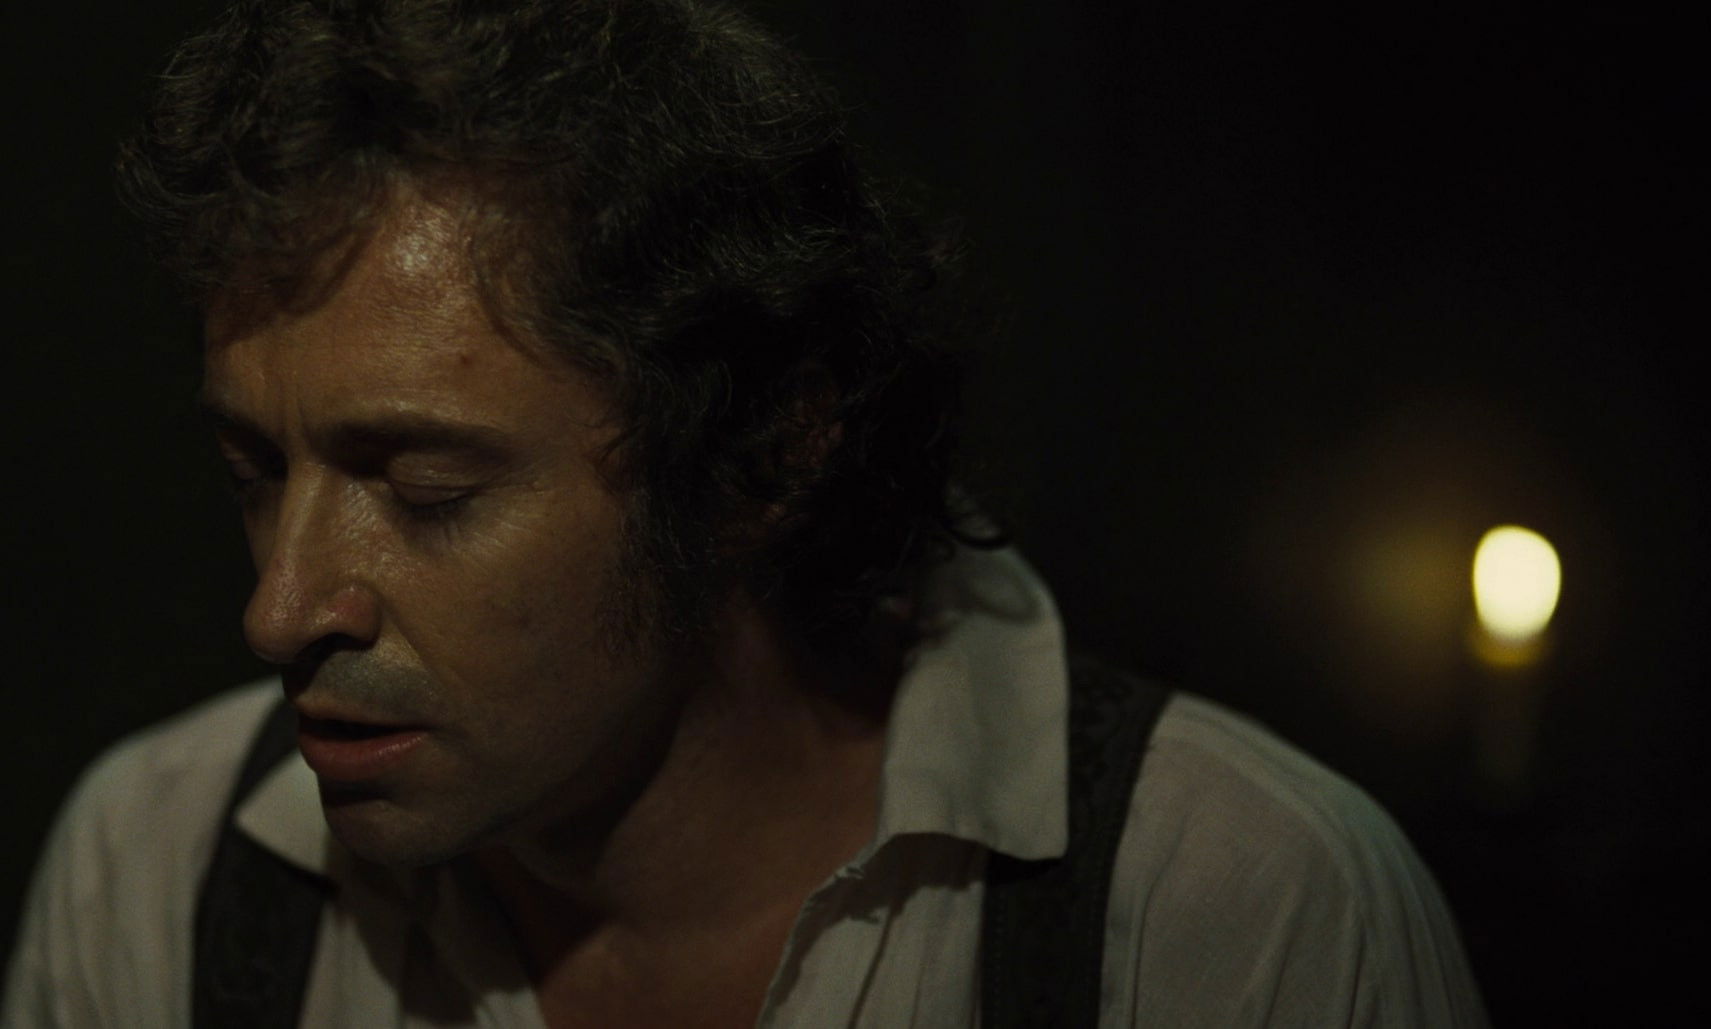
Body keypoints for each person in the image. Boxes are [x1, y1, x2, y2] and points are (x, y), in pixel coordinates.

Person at [3, 1, 1488, 1025]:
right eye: (256, 474)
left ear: (760, 461)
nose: (280, 608)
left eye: (428, 489)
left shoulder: (1218, 906)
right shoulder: (163, 871)